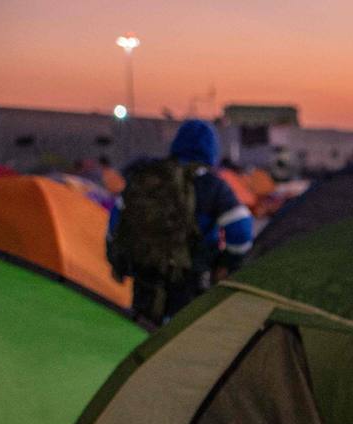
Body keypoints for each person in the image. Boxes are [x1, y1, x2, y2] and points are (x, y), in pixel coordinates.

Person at [106, 119, 254, 325]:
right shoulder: (212, 185)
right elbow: (242, 231)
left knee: (145, 341)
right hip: (191, 283)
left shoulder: (146, 178)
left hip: (145, 281)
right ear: (211, 151)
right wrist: (226, 263)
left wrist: (118, 262)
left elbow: (115, 226)